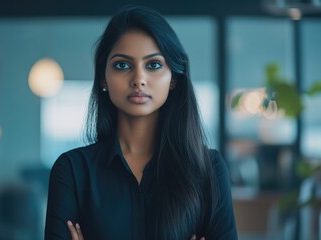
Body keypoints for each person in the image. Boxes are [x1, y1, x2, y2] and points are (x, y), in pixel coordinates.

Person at [44, 5, 238, 240]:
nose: (139, 79)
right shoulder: (72, 171)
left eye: (153, 65)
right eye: (122, 65)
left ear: (174, 78)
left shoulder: (209, 171)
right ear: (103, 78)